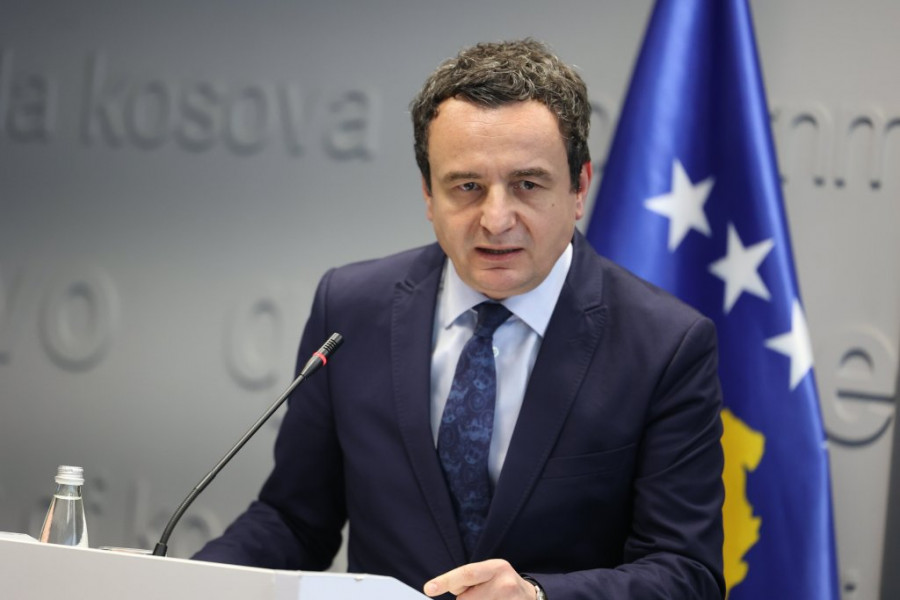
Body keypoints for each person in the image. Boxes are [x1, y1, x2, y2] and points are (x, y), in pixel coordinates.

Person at [193, 38, 725, 599]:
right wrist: (181, 583)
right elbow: (294, 519)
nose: (496, 220)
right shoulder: (350, 308)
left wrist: (539, 597)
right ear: (429, 194)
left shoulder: (665, 346)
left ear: (579, 188)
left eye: (527, 184)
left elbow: (685, 573)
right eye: (467, 187)